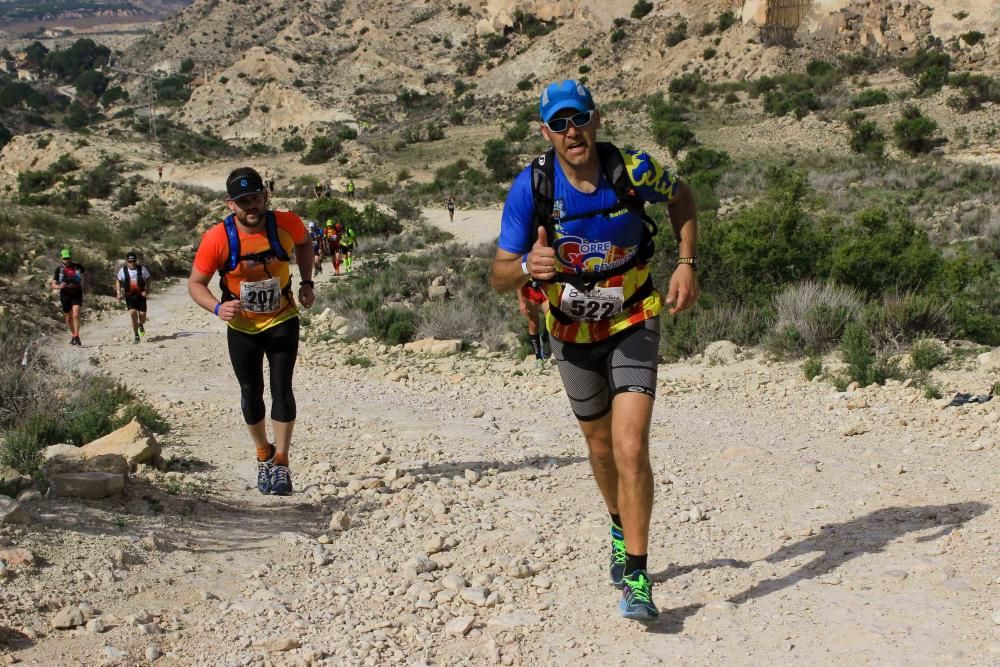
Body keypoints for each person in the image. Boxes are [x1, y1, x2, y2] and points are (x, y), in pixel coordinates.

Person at [489, 80, 699, 622]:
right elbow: (497, 273)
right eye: (558, 124)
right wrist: (525, 270)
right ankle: (615, 521)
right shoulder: (531, 186)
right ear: (546, 132)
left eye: (578, 119)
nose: (571, 131)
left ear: (596, 120)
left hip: (633, 318)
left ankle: (637, 574)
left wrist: (685, 263)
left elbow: (683, 197)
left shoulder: (633, 169)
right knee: (601, 448)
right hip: (571, 331)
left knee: (631, 446)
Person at [188, 167, 315, 496]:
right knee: (250, 392)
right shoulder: (217, 238)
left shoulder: (286, 223)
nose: (251, 207)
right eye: (243, 201)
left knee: (282, 388)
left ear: (265, 196)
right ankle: (263, 456)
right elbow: (196, 284)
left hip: (282, 318)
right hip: (242, 326)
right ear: (231, 204)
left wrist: (307, 282)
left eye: (256, 198)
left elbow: (304, 244)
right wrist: (217, 307)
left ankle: (282, 464)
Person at [51, 248, 87, 346]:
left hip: (77, 293)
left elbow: (84, 273)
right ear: (62, 258)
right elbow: (53, 284)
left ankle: (77, 336)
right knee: (68, 318)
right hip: (65, 295)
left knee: (76, 314)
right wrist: (59, 286)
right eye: (65, 258)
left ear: (71, 257)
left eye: (68, 258)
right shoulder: (59, 269)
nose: (67, 260)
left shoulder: (78, 267)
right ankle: (73, 334)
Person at [115, 251, 152, 343]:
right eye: (130, 261)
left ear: (136, 261)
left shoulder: (142, 269)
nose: (132, 263)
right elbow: (118, 281)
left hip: (141, 296)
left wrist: (147, 290)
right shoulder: (122, 270)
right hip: (130, 296)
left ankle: (140, 324)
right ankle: (136, 335)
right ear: (126, 261)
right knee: (133, 314)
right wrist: (118, 293)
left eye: (134, 261)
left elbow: (148, 279)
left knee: (142, 316)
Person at [517, 279, 549, 369]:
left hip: (546, 288)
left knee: (551, 317)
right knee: (533, 323)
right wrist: (521, 301)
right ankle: (539, 358)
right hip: (529, 290)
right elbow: (518, 279)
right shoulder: (523, 263)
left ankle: (546, 339)